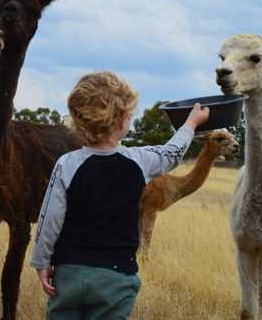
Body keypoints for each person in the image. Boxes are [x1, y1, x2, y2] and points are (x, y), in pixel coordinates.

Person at [30, 71, 209, 320]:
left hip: (68, 273)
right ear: (123, 119)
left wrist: (41, 262)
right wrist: (191, 124)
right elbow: (172, 153)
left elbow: (49, 219)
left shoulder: (66, 164)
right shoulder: (139, 161)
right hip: (117, 278)